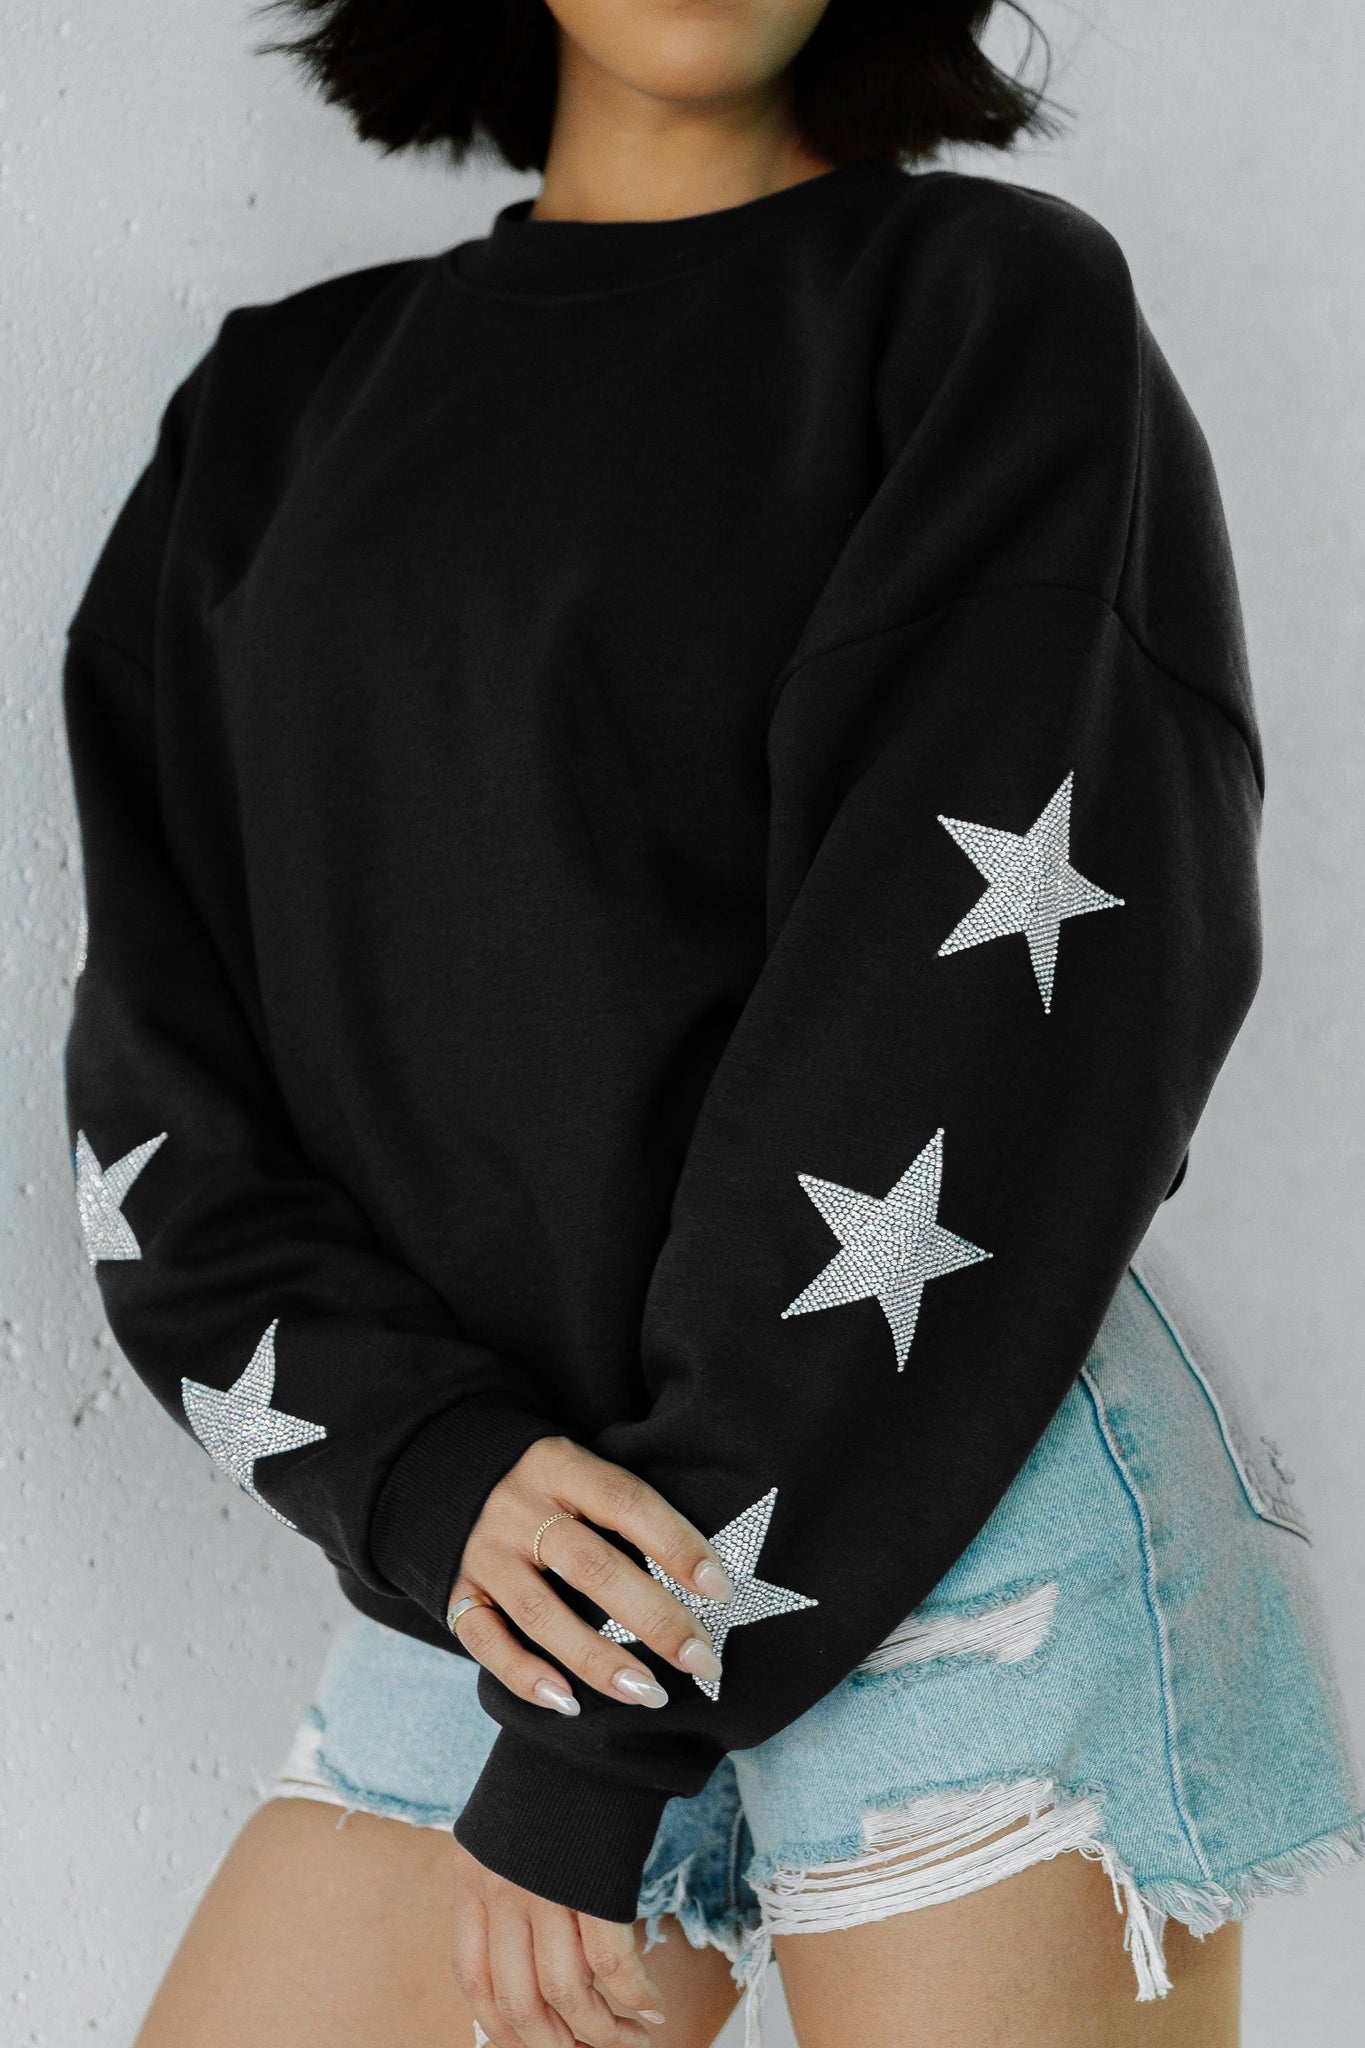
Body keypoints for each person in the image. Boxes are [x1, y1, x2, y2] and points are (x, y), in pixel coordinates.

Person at [60, 0, 1363, 2042]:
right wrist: (425, 1472)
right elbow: (166, 1076)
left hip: (945, 1488)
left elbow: (985, 1014)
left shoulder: (980, 311)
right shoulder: (270, 412)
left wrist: (611, 1723)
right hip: (521, 1546)